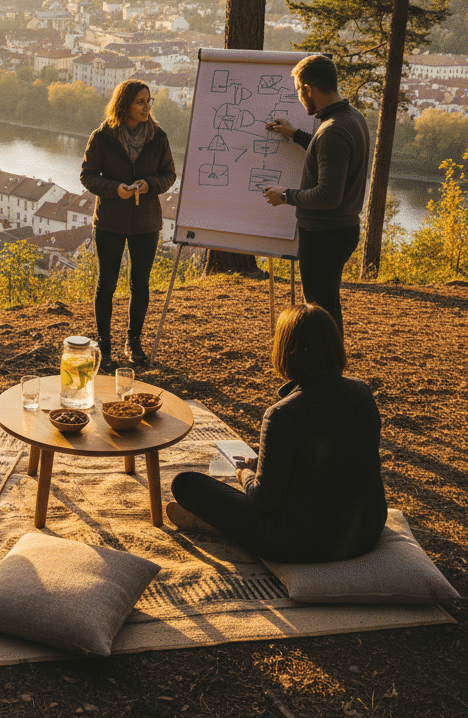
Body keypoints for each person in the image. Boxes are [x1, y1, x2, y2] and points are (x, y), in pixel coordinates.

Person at [168, 304, 387, 562]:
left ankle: (218, 527)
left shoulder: (282, 414)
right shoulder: (361, 393)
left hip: (300, 543)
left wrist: (246, 474)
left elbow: (265, 500)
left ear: (285, 351)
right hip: (365, 531)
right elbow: (333, 453)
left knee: (185, 484)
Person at [261, 53, 369, 338]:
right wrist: (296, 135)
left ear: (308, 88)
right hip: (341, 230)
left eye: (298, 90)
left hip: (324, 235)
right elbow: (331, 156)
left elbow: (327, 196)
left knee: (319, 311)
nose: (299, 97)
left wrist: (285, 195)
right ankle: (332, 365)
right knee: (328, 306)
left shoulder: (332, 131)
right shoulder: (351, 117)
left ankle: (325, 373)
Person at [80, 80, 176, 370]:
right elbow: (87, 176)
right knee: (106, 284)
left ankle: (133, 341)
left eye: (149, 101)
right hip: (110, 220)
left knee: (141, 284)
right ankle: (104, 343)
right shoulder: (102, 136)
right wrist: (114, 189)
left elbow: (169, 174)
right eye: (140, 102)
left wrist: (149, 185)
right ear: (124, 105)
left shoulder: (158, 137)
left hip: (146, 222)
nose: (147, 107)